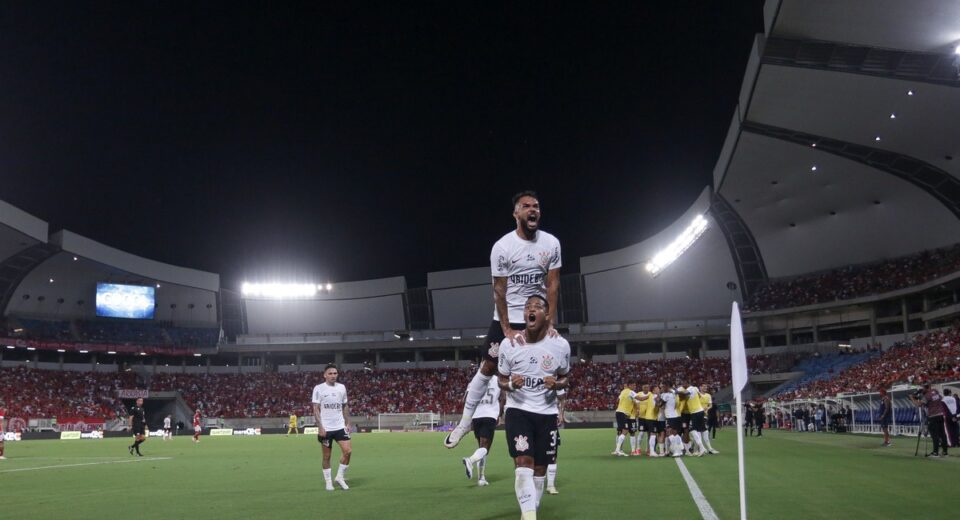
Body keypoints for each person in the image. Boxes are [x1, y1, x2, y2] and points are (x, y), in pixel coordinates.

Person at [444, 191, 562, 449]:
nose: (533, 210)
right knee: (487, 367)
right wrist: (506, 326)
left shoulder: (551, 243)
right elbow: (499, 289)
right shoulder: (503, 247)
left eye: (537, 206)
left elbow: (552, 284)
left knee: (545, 368)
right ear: (516, 214)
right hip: (507, 318)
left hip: (537, 317)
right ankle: (465, 422)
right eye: (526, 206)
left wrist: (550, 320)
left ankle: (547, 422)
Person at [498, 295, 570, 520]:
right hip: (518, 410)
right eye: (527, 306)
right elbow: (500, 379)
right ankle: (530, 517)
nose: (531, 309)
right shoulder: (509, 344)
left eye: (537, 306)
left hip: (546, 413)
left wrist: (556, 383)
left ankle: (530, 510)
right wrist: (510, 384)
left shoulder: (560, 345)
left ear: (547, 315)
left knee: (540, 470)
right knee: (523, 465)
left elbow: (565, 377)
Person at [312, 363, 352, 490]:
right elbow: (316, 408)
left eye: (335, 373)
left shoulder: (342, 387)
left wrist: (348, 422)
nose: (333, 375)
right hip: (326, 428)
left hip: (340, 426)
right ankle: (328, 481)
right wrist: (320, 427)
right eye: (330, 373)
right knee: (326, 456)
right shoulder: (318, 388)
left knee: (348, 451)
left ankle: (339, 477)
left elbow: (345, 405)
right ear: (325, 375)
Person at [461, 375, 504, 487]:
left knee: (481, 448)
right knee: (484, 448)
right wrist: (499, 414)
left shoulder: (475, 379)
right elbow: (503, 398)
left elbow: (465, 399)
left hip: (476, 417)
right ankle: (470, 461)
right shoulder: (498, 379)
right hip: (489, 415)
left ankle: (481, 478)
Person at [546, 388, 565, 495]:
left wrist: (561, 413)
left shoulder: (554, 379)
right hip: (532, 420)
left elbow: (562, 398)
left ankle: (550, 485)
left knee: (552, 455)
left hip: (550, 420)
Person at [612, 383, 639, 456]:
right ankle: (618, 449)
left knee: (632, 432)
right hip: (624, 414)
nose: (625, 387)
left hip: (631, 416)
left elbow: (637, 405)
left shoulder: (633, 394)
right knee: (620, 431)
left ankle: (633, 451)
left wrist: (637, 412)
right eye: (624, 386)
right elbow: (618, 400)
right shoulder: (623, 393)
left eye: (625, 386)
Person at [702, 384, 720, 452]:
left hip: (707, 416)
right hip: (703, 415)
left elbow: (713, 408)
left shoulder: (709, 398)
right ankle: (704, 448)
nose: (705, 388)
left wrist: (707, 408)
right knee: (704, 430)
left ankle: (707, 446)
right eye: (703, 386)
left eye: (706, 387)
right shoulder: (699, 396)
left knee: (707, 430)